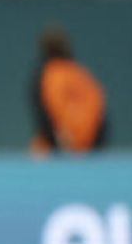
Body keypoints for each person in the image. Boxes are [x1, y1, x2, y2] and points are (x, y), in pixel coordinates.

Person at [30, 27, 108, 155]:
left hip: (63, 147)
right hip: (90, 147)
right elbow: (101, 115)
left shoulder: (46, 75)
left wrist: (63, 142)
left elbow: (44, 116)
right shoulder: (82, 74)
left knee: (38, 153)